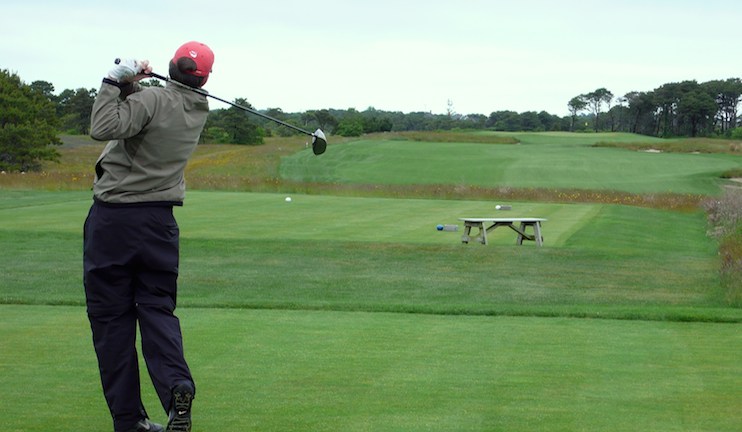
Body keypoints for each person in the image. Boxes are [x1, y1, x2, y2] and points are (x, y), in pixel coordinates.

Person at [83, 41, 214, 432]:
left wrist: (112, 81)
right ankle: (177, 385)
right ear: (204, 78)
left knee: (112, 321)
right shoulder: (196, 108)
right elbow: (148, 112)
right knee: (156, 310)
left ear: (172, 67)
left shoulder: (156, 100)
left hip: (114, 223)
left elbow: (101, 127)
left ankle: (129, 421)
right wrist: (132, 88)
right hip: (159, 225)